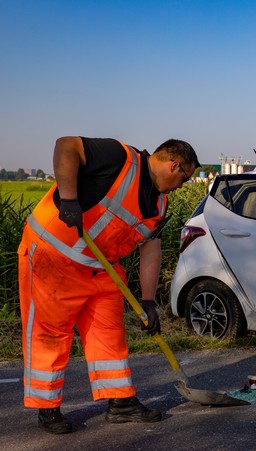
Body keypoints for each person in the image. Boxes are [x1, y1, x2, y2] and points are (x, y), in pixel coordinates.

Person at [18, 136, 200, 434]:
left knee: (109, 334)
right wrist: (69, 199)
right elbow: (67, 145)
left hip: (100, 267)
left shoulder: (159, 204)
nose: (183, 185)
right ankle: (47, 407)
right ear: (173, 165)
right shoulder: (119, 158)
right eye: (185, 177)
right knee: (50, 334)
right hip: (54, 256)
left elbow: (150, 249)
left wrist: (149, 301)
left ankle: (120, 403)